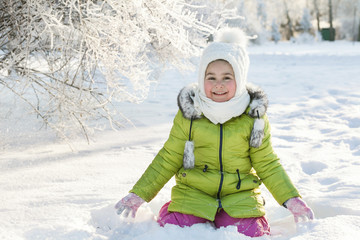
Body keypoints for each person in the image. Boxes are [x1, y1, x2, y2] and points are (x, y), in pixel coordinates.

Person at [115, 28, 314, 237]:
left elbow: (267, 163)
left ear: (240, 79)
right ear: (202, 78)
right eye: (211, 77)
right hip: (193, 193)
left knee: (249, 232)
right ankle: (172, 211)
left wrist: (290, 198)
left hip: (239, 196)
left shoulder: (253, 118)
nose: (218, 84)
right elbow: (168, 157)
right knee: (175, 229)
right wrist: (139, 193)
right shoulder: (189, 115)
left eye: (227, 77)